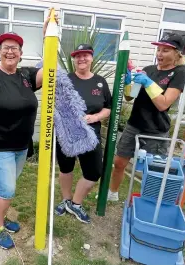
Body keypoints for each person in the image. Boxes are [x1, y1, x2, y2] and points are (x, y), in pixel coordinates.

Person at [0, 14, 57, 249]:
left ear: (20, 53)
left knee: (6, 188)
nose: (10, 52)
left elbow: (50, 68)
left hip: (21, 146)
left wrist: (49, 37)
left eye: (15, 48)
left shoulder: (26, 76)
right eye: (6, 48)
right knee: (6, 190)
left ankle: (2, 216)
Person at [108, 33, 185, 201]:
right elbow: (130, 97)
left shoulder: (179, 73)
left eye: (165, 50)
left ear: (177, 54)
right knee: (119, 162)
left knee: (153, 171)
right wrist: (128, 83)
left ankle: (147, 201)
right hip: (134, 124)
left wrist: (148, 83)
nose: (159, 54)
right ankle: (112, 194)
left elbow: (163, 104)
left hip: (156, 130)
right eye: (158, 49)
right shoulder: (148, 70)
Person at [54, 44, 112, 223]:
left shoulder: (100, 82)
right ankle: (66, 199)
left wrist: (94, 117)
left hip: (90, 135)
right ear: (74, 59)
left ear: (92, 58)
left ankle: (75, 204)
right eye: (78, 56)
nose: (81, 59)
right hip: (67, 134)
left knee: (94, 172)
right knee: (66, 168)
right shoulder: (66, 80)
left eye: (85, 55)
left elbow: (108, 108)